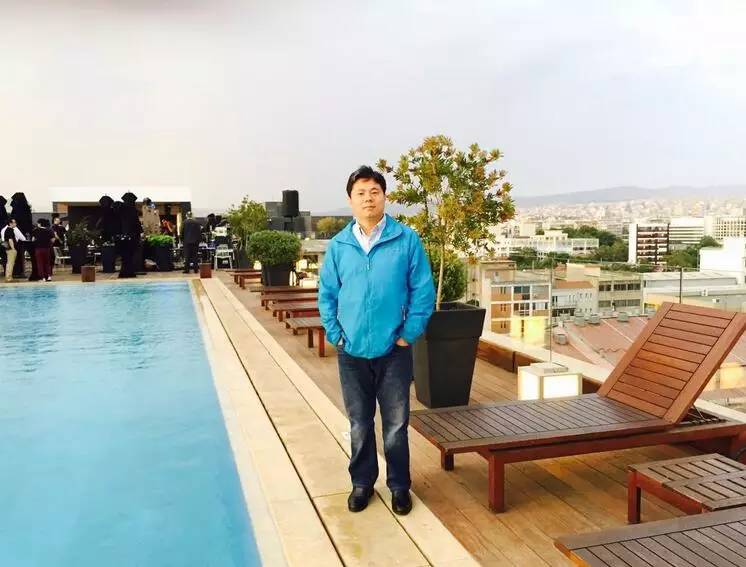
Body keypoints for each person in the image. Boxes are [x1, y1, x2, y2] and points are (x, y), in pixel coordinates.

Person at [318, 165, 435, 516]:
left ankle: (399, 486)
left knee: (396, 425)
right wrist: (336, 334)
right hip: (351, 351)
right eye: (361, 193)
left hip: (394, 350)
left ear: (384, 196)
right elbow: (327, 295)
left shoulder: (406, 240)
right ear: (350, 200)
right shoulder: (339, 245)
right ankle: (362, 483)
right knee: (359, 422)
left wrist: (407, 335)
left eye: (374, 192)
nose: (368, 199)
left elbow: (422, 292)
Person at [2, 218, 18, 282]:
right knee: (10, 263)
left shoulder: (8, 230)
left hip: (8, 248)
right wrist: (13, 248)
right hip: (10, 249)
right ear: (10, 223)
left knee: (10, 263)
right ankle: (8, 278)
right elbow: (10, 240)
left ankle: (9, 277)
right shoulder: (9, 230)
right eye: (14, 222)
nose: (15, 223)